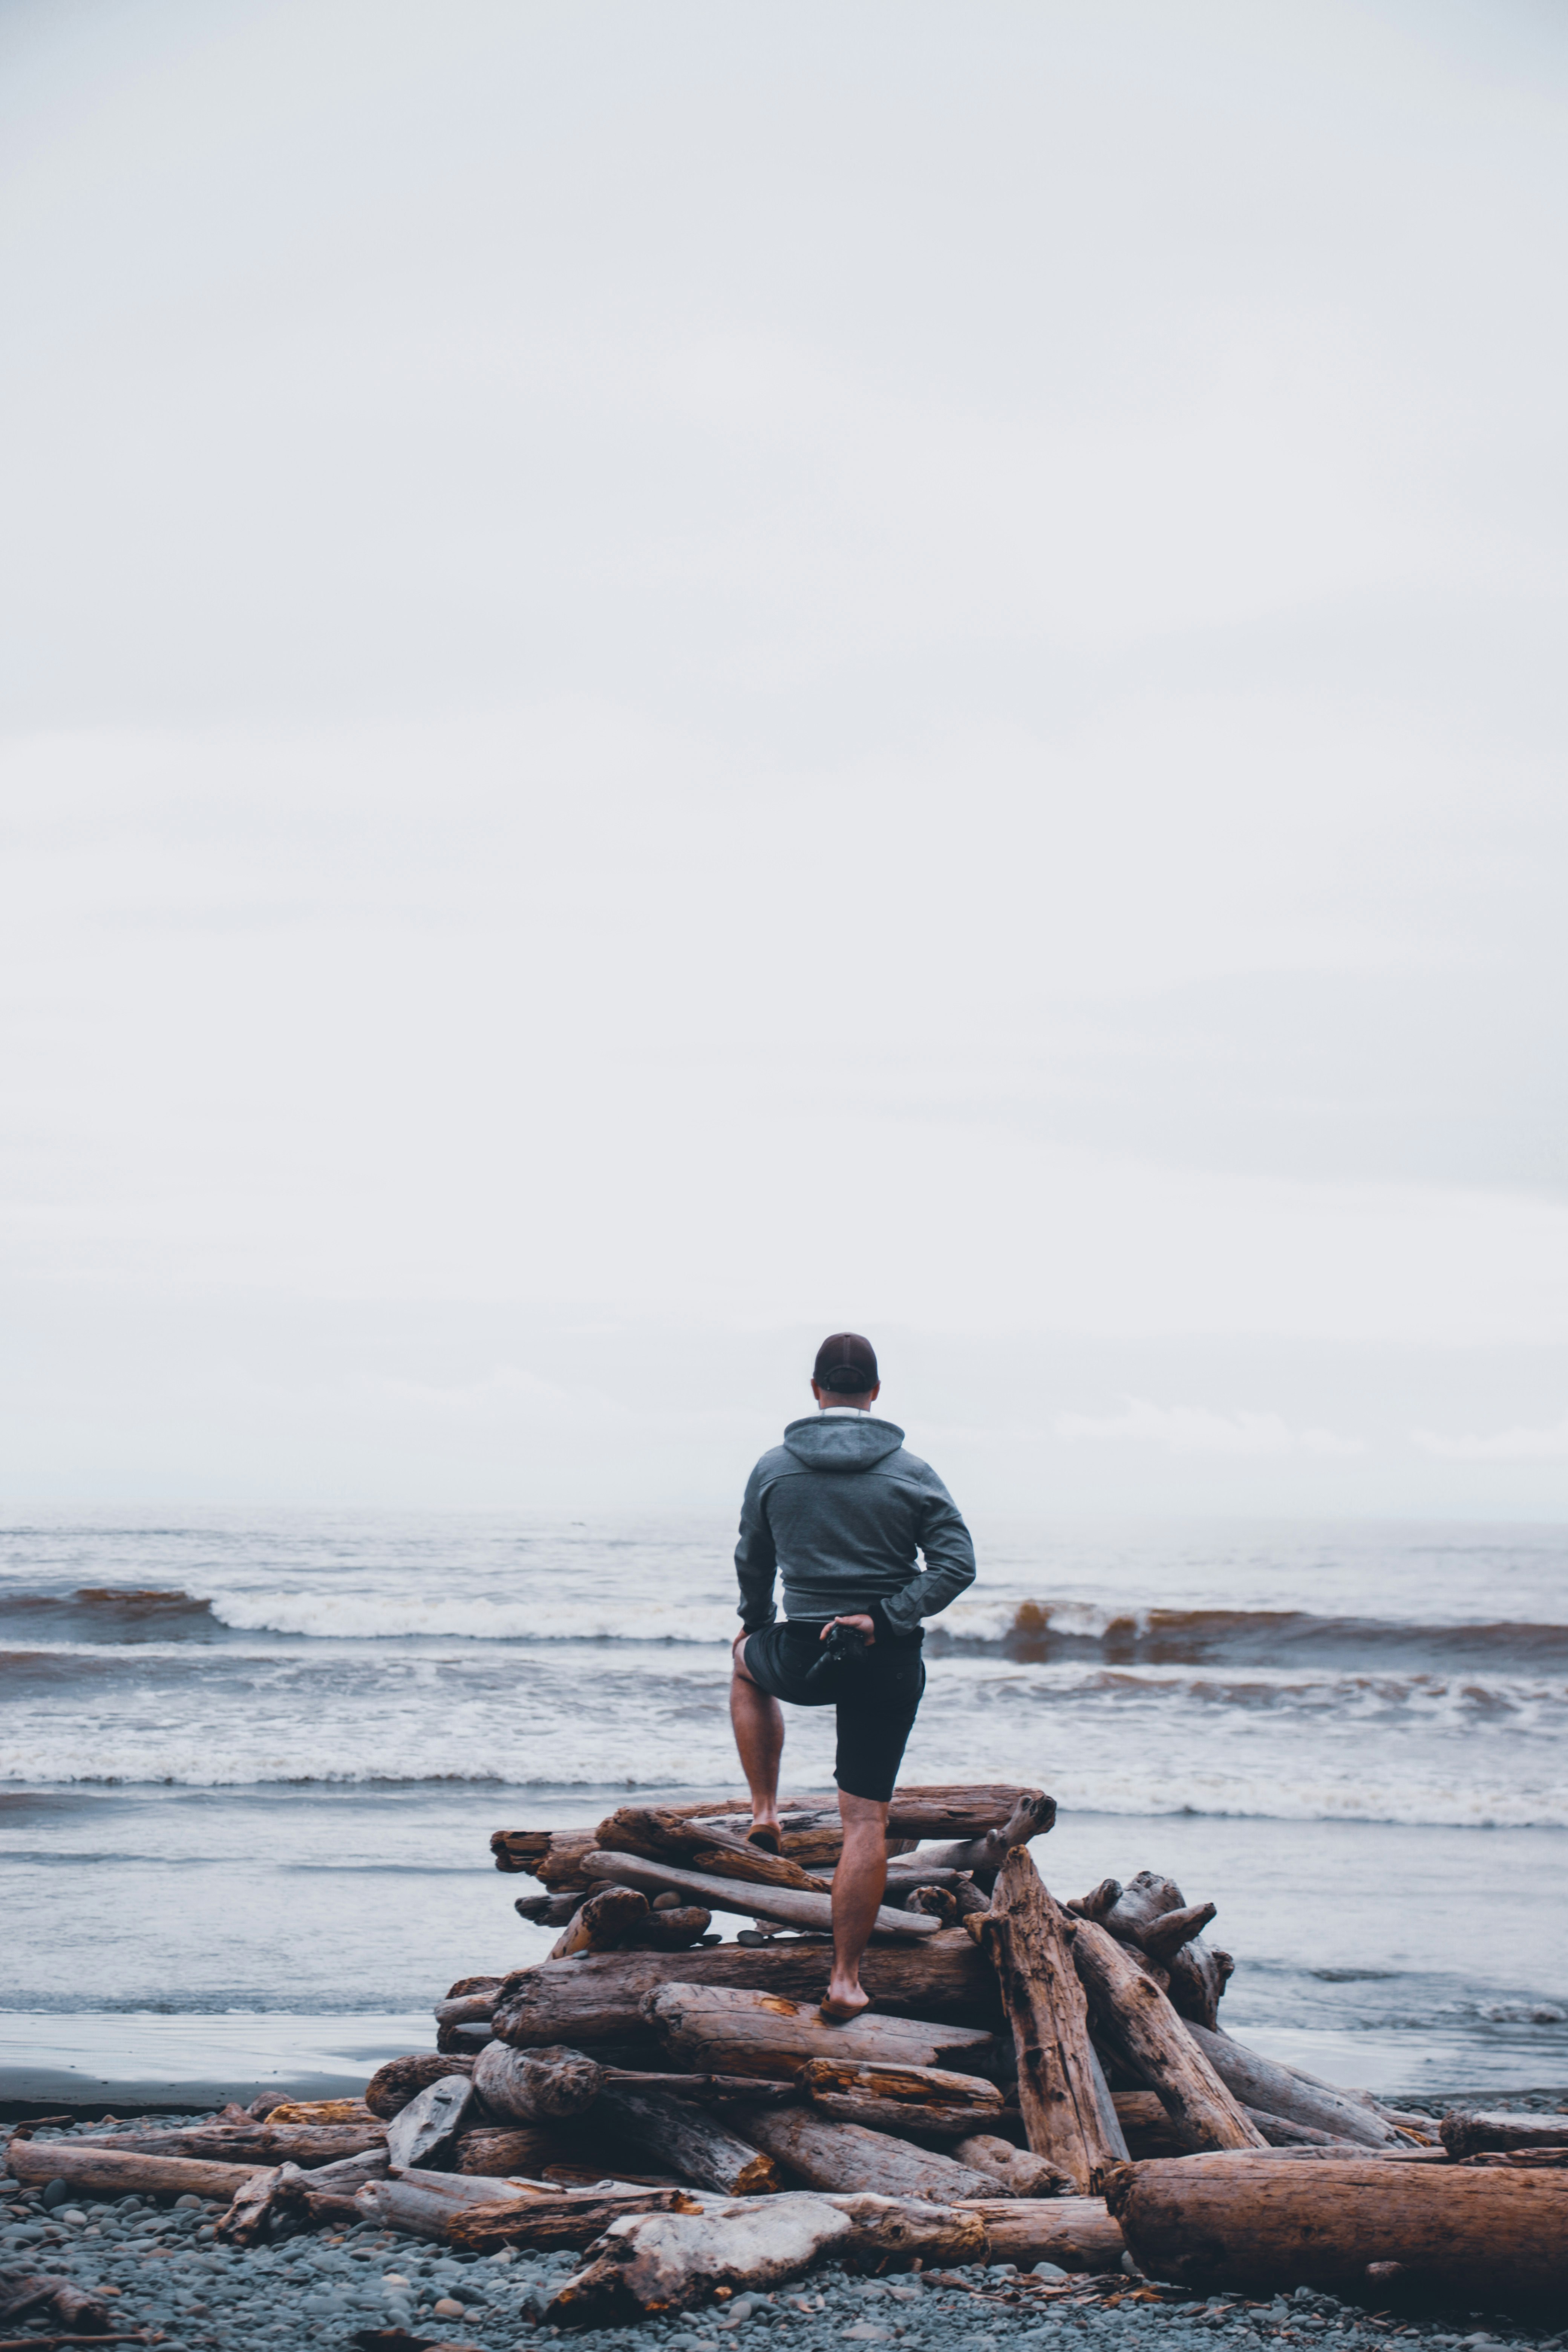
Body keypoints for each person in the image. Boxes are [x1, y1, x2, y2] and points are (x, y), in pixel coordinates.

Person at [729, 1332, 977, 2020]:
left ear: (815, 1390)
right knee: (865, 1820)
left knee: (745, 1665)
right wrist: (887, 1616)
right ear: (874, 1393)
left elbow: (754, 1558)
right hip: (884, 1659)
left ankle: (765, 1812)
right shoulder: (913, 1471)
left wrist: (754, 1622)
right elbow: (957, 1566)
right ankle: (845, 1980)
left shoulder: (774, 1467)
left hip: (804, 1651)